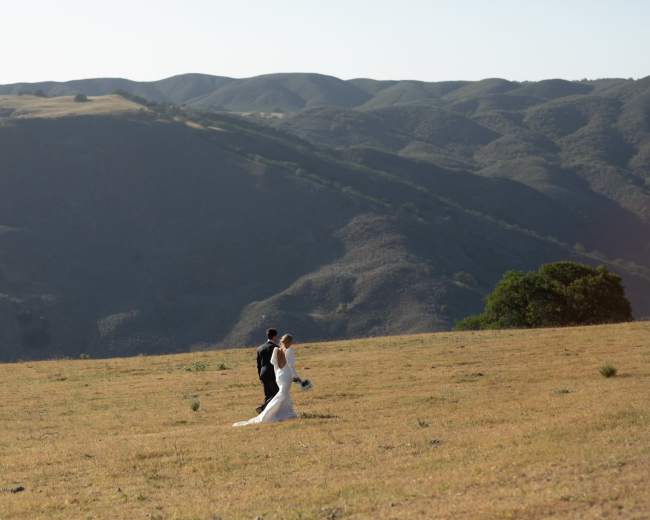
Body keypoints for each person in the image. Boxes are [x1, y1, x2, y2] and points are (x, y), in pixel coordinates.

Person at [233, 333, 302, 427]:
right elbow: (290, 366)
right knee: (281, 395)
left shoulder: (276, 349)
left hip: (279, 375)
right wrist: (296, 377)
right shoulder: (289, 351)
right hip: (286, 375)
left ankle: (288, 413)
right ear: (289, 342)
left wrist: (278, 375)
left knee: (285, 395)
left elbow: (274, 364)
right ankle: (267, 414)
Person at [255, 328, 280, 413]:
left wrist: (260, 376)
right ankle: (262, 408)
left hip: (263, 374)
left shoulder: (259, 348)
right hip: (272, 374)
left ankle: (266, 414)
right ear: (275, 336)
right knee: (278, 394)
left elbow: (258, 365)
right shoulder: (276, 348)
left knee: (268, 395)